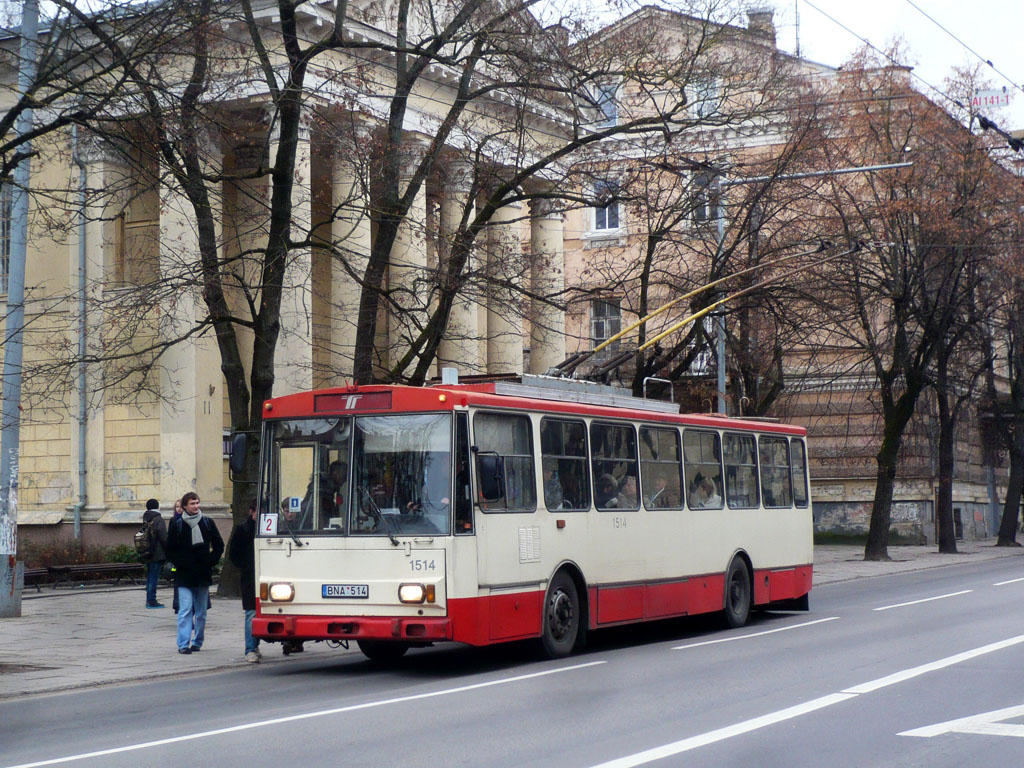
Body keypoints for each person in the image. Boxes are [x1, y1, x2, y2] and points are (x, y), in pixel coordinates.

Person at [166, 492, 224, 654]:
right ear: (184, 506)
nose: (196, 506)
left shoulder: (207, 522)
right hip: (184, 574)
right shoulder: (177, 524)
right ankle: (183, 644)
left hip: (202, 574)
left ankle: (197, 641)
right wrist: (180, 563)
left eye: (197, 503)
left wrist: (210, 561)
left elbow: (218, 545)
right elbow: (170, 549)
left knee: (201, 613)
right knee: (185, 610)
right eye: (192, 503)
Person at [229, 500, 261, 663]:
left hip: (265, 576)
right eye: (259, 511)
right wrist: (245, 567)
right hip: (250, 576)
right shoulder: (244, 529)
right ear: (252, 512)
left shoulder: (271, 528)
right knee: (251, 612)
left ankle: (255, 645)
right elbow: (233, 552)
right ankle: (250, 649)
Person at [142, 499, 168, 609]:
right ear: (157, 506)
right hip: (157, 553)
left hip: (147, 552)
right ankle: (151, 601)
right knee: (154, 577)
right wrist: (169, 550)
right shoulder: (158, 519)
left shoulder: (146, 518)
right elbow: (163, 537)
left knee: (150, 577)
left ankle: (149, 598)